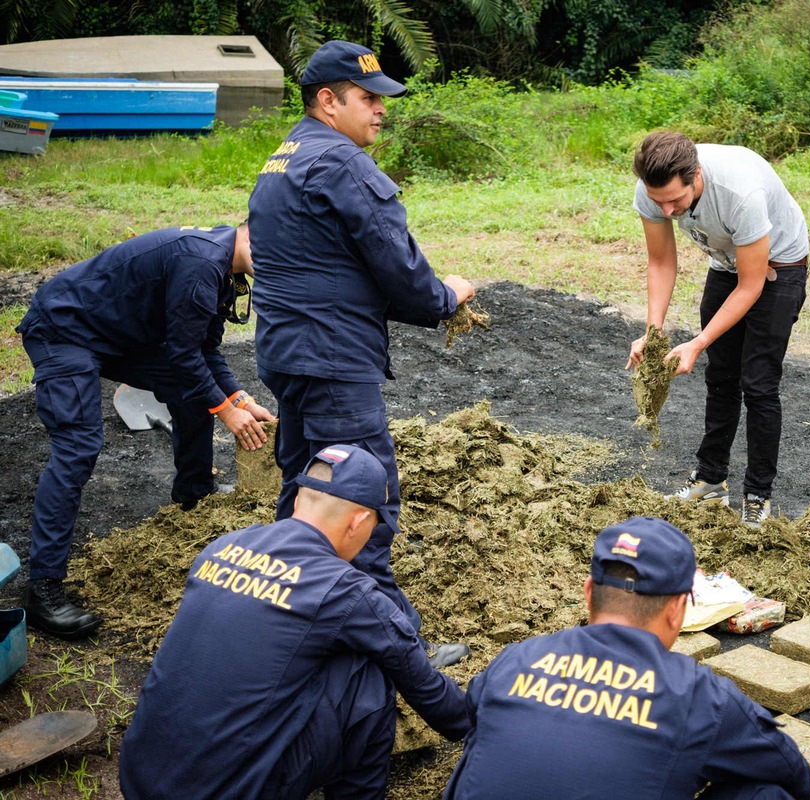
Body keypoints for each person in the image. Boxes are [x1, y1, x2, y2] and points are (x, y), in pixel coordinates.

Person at [248, 40, 475, 665]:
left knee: (304, 493)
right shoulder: (342, 164)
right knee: (359, 500)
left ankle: (285, 621)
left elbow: (328, 267)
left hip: (289, 354)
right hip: (333, 363)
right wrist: (444, 298)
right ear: (329, 101)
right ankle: (389, 646)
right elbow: (393, 264)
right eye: (369, 99)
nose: (381, 111)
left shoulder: (282, 160)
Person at [120, 444, 471, 799]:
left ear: (299, 498)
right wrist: (490, 713)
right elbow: (429, 692)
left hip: (140, 777)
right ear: (359, 522)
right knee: (370, 674)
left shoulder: (223, 547)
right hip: (226, 792)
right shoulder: (344, 589)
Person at [15, 223, 274, 639]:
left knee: (192, 391)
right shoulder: (203, 262)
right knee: (78, 445)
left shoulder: (226, 270)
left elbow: (203, 350)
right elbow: (185, 354)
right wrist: (227, 412)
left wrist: (240, 399)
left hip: (116, 333)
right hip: (65, 328)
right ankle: (43, 588)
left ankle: (194, 491)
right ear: (251, 234)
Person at [442, 516, 810, 800]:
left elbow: (469, 715)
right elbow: (791, 772)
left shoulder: (516, 658)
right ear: (677, 610)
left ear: (588, 593)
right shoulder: (699, 697)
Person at [627, 132, 810, 528]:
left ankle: (757, 495)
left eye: (676, 200)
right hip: (727, 263)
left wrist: (700, 340)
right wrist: (653, 334)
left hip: (780, 265)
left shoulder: (738, 193)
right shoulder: (653, 190)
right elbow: (660, 262)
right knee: (720, 376)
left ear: (695, 175)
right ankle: (710, 480)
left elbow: (752, 284)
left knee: (758, 383)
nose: (669, 210)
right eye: (660, 202)